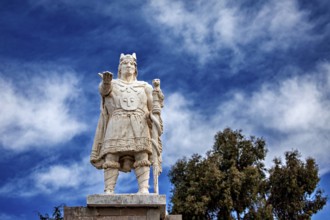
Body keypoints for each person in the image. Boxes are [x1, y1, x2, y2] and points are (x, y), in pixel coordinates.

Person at [90, 53, 154, 194]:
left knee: (142, 154)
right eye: (125, 63)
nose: (129, 66)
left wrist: (152, 115)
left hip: (139, 121)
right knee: (112, 154)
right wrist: (106, 82)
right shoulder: (112, 84)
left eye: (131, 64)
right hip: (117, 121)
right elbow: (104, 91)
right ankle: (109, 189)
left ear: (135, 68)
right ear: (120, 68)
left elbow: (153, 107)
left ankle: (143, 189)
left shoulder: (145, 87)